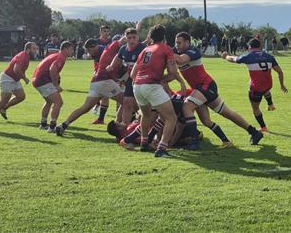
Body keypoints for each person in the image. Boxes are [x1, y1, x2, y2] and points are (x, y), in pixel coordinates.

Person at [174, 32, 263, 150]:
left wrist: (165, 51)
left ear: (187, 42)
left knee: (187, 107)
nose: (176, 45)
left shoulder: (193, 51)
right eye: (175, 42)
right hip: (200, 90)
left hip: (206, 86)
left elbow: (180, 60)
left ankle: (195, 142)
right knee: (209, 120)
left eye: (179, 43)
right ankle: (252, 133)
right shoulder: (175, 52)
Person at [130, 24, 187, 158]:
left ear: (151, 37)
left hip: (137, 86)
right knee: (171, 117)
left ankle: (144, 143)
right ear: (164, 36)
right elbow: (172, 71)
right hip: (151, 85)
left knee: (146, 115)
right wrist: (181, 82)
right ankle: (161, 149)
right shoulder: (166, 49)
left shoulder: (145, 50)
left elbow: (133, 74)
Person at [55, 37, 126, 136]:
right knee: (128, 102)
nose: (88, 52)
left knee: (85, 108)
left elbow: (123, 40)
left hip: (97, 82)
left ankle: (63, 125)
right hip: (104, 81)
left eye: (89, 50)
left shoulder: (107, 48)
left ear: (94, 46)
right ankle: (125, 128)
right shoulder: (102, 51)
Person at [222, 39, 288, 132]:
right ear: (260, 47)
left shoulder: (248, 56)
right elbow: (280, 72)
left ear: (249, 47)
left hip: (256, 88)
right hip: (268, 84)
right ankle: (270, 104)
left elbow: (233, 59)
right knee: (261, 86)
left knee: (255, 108)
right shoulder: (269, 56)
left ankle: (263, 127)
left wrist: (226, 56)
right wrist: (282, 85)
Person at [0, 42, 38, 123]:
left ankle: (4, 108)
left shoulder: (26, 56)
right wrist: (24, 78)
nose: (36, 50)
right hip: (7, 78)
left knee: (21, 96)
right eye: (34, 48)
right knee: (4, 100)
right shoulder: (23, 56)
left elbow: (19, 69)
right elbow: (16, 69)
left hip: (14, 79)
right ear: (28, 49)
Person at [32, 41, 74, 132]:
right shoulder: (61, 57)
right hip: (43, 80)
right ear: (65, 49)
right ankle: (52, 127)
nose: (72, 51)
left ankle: (43, 124)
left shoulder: (56, 55)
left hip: (37, 80)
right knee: (59, 102)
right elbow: (52, 69)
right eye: (71, 49)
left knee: (49, 102)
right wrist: (56, 85)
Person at [107, 28, 146, 125]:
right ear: (126, 38)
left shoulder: (143, 48)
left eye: (134, 37)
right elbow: (118, 57)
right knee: (126, 102)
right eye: (129, 38)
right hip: (131, 79)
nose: (132, 40)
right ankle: (125, 127)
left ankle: (146, 125)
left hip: (144, 79)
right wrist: (111, 66)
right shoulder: (123, 49)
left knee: (144, 105)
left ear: (138, 37)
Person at [91, 25, 114, 124]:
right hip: (98, 69)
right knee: (95, 89)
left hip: (108, 70)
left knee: (105, 94)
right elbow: (93, 55)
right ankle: (97, 104)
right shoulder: (96, 42)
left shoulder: (111, 42)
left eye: (108, 31)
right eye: (104, 31)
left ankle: (101, 117)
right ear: (100, 31)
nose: (106, 33)